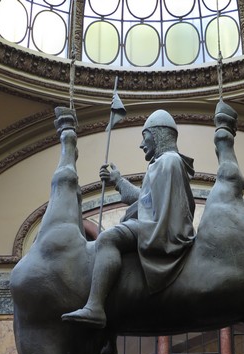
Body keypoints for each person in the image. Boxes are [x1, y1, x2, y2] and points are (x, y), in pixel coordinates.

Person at [62, 109, 196, 328]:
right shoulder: (166, 162)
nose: (142, 145)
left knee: (107, 239)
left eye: (145, 138)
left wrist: (122, 187)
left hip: (162, 231)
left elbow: (158, 209)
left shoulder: (167, 162)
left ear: (159, 134)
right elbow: (147, 200)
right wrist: (118, 180)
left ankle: (95, 306)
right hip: (158, 225)